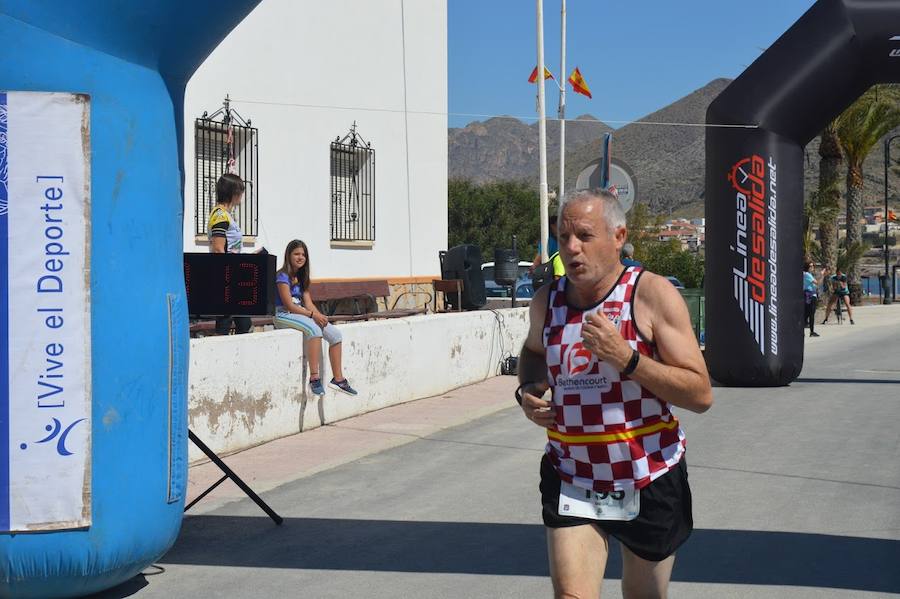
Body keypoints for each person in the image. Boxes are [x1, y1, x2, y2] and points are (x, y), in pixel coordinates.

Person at [515, 189, 712, 599]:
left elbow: (699, 393)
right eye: (563, 237)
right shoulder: (546, 301)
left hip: (648, 474)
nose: (571, 248)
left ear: (618, 236)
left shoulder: (650, 294)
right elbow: (533, 352)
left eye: (584, 236)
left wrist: (628, 359)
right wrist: (528, 391)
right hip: (573, 473)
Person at [274, 239, 357, 396]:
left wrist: (319, 315)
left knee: (335, 335)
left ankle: (338, 379)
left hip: (301, 313)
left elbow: (308, 303)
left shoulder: (302, 277)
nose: (300, 257)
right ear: (288, 256)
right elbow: (289, 306)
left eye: (303, 254)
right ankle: (314, 378)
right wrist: (313, 316)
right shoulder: (282, 276)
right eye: (296, 254)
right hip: (283, 314)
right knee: (314, 330)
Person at [208, 173, 252, 335]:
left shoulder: (225, 215)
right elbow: (219, 249)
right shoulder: (220, 215)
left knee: (244, 323)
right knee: (225, 323)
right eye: (240, 191)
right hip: (226, 277)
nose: (242, 195)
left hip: (233, 275)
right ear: (233, 192)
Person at [803, 261, 820, 337]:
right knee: (811, 314)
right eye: (811, 266)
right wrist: (822, 275)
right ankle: (812, 331)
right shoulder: (807, 274)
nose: (812, 267)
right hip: (810, 295)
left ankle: (808, 330)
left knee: (807, 314)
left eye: (813, 266)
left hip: (808, 295)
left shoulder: (806, 274)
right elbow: (817, 283)